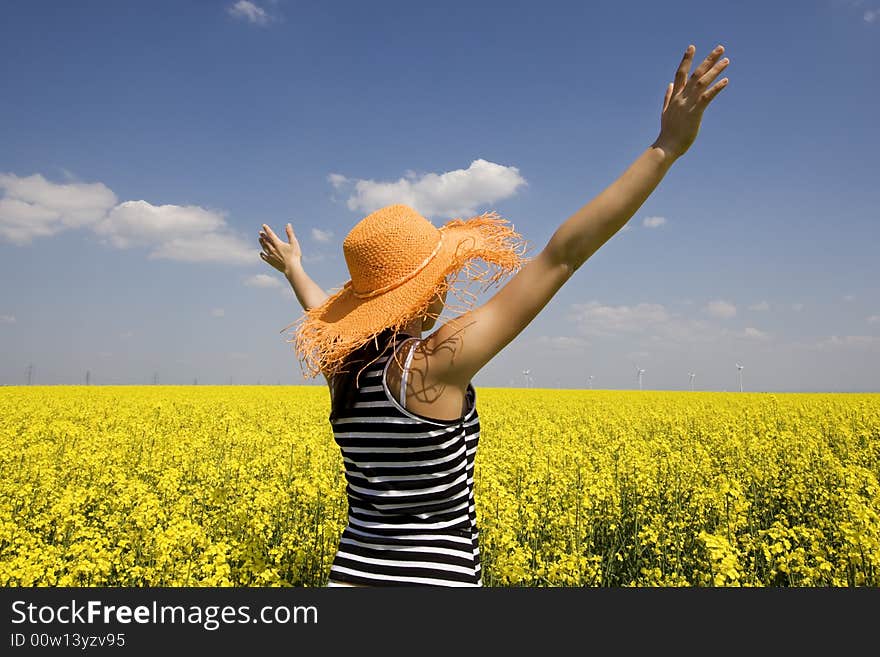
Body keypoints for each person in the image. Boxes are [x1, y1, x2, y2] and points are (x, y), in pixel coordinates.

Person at [257, 43, 730, 586]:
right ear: (423, 294)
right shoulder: (433, 364)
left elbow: (320, 313)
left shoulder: (341, 366)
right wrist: (666, 149)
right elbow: (561, 256)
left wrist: (294, 269)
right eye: (441, 276)